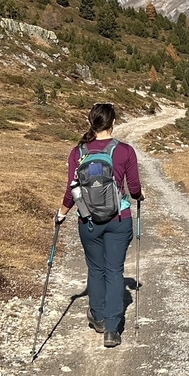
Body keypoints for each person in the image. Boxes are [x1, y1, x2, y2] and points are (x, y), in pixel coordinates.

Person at [57, 102, 143, 348]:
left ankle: (98, 316)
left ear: (90, 123)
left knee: (96, 269)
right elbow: (134, 189)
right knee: (114, 271)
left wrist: (61, 214)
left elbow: (70, 191)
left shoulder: (78, 152)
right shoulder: (125, 151)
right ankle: (113, 330)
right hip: (119, 219)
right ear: (113, 123)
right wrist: (140, 196)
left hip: (88, 220)